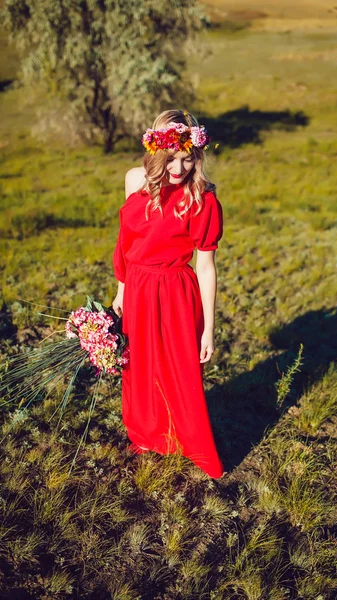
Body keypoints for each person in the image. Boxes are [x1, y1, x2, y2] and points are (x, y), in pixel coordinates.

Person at [112, 109, 225, 479]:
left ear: (197, 156)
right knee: (140, 365)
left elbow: (206, 266)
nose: (178, 168)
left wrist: (209, 327)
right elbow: (127, 241)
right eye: (171, 159)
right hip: (139, 286)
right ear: (155, 151)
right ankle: (147, 435)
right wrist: (121, 288)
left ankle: (186, 440)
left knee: (178, 369)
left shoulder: (203, 199)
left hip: (176, 289)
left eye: (187, 159)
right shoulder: (134, 180)